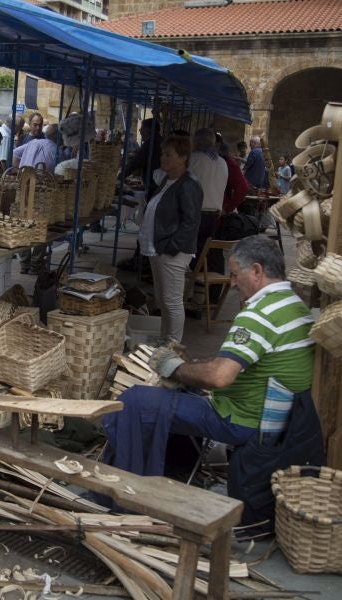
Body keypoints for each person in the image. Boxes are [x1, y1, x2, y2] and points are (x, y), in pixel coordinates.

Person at [102, 235, 315, 477]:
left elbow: (219, 377)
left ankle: (123, 484)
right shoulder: (294, 305)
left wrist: (174, 368)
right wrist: (192, 368)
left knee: (134, 401)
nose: (232, 283)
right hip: (276, 417)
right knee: (184, 391)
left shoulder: (259, 314)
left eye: (235, 274)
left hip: (243, 420)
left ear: (256, 271)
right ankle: (176, 473)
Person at [138, 134, 202, 343]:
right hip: (158, 248)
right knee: (163, 300)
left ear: (183, 158)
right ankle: (164, 341)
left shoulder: (188, 184)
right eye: (162, 154)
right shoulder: (168, 180)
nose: (163, 158)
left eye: (168, 154)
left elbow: (191, 221)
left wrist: (172, 246)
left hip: (171, 251)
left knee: (172, 301)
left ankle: (173, 345)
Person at [188, 128, 229, 273]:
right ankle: (201, 280)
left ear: (196, 142)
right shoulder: (222, 162)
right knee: (205, 251)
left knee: (191, 252)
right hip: (213, 215)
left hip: (194, 213)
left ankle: (194, 281)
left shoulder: (193, 159)